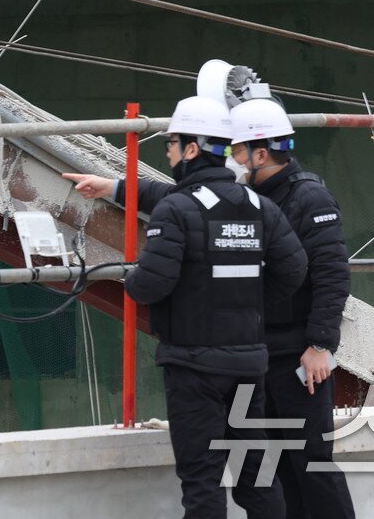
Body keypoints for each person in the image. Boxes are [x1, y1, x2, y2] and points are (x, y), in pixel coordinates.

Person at [68, 95, 307, 518]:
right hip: (249, 366)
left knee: (202, 483)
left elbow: (150, 285)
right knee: (258, 478)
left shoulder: (176, 209)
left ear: (192, 149)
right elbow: (293, 269)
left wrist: (130, 274)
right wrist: (248, 305)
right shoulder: (257, 205)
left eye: (172, 143)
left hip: (196, 370)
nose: (169, 151)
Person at [229, 96, 356, 519]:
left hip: (300, 356)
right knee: (276, 467)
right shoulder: (249, 197)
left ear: (260, 153)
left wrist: (320, 344)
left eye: (236, 150)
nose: (231, 159)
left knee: (312, 462)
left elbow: (332, 277)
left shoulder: (309, 199)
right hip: (260, 353)